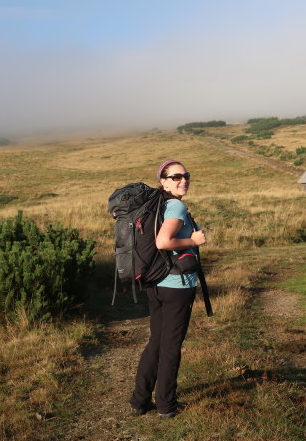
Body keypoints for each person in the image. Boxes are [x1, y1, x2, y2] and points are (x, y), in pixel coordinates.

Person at [129, 159, 206, 419]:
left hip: (157, 284)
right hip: (176, 286)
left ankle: (140, 400)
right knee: (171, 346)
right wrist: (193, 240)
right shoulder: (175, 206)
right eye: (175, 177)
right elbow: (164, 241)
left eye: (186, 175)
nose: (183, 180)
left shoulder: (157, 205)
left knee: (156, 342)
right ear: (163, 181)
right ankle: (166, 405)